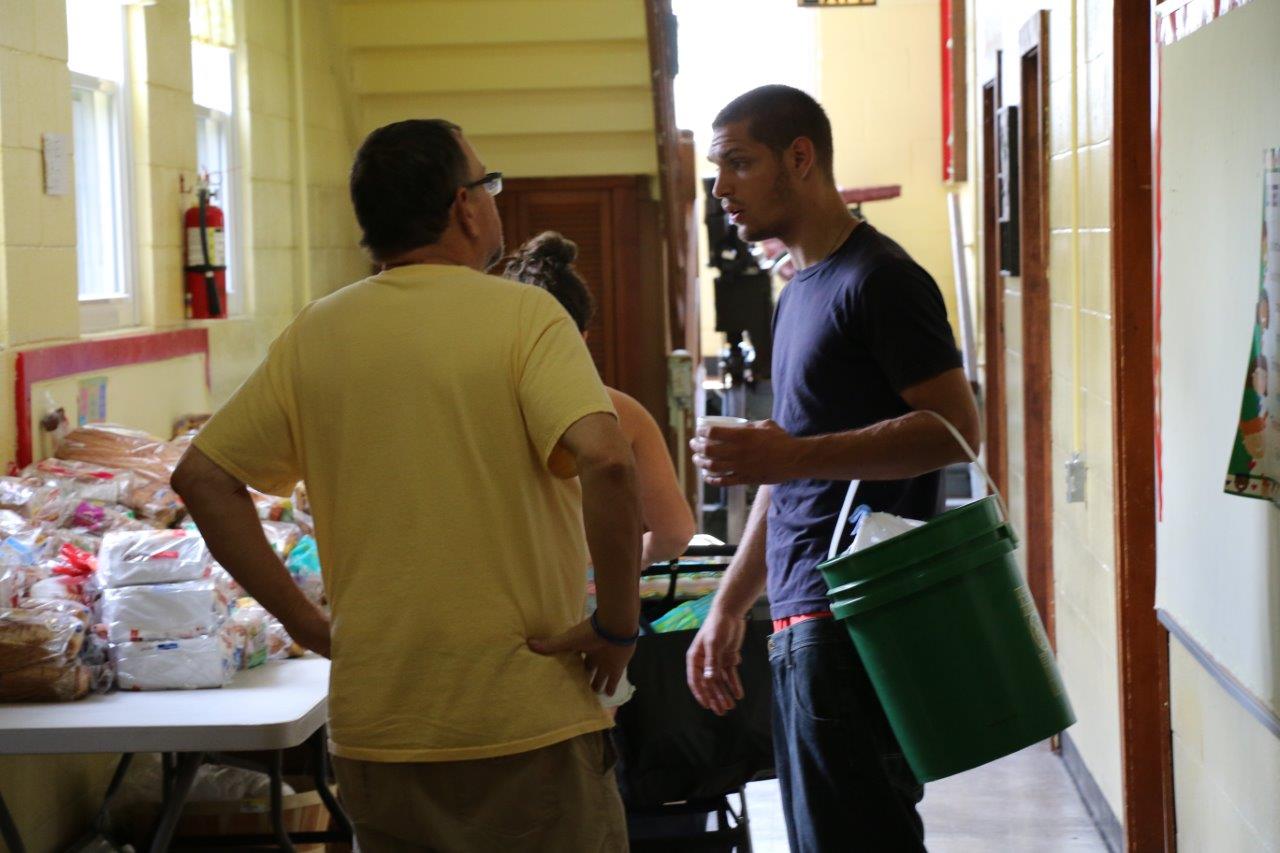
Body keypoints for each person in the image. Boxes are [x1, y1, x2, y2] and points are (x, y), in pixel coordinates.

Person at [172, 118, 641, 852]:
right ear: (464, 206)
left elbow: (201, 478)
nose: (492, 199)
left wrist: (303, 620)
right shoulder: (526, 318)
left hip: (380, 732)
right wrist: (617, 622)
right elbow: (609, 460)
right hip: (524, 719)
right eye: (487, 183)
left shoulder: (316, 333)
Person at [685, 86, 981, 852]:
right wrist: (727, 607)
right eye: (718, 172)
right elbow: (788, 480)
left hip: (857, 616)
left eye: (739, 164)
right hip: (799, 617)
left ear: (801, 157)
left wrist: (789, 454)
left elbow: (956, 430)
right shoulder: (795, 293)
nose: (721, 190)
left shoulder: (878, 278)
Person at [503, 230, 696, 567]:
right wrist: (610, 564)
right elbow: (675, 533)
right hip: (582, 593)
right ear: (582, 336)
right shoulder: (621, 411)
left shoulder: (470, 404)